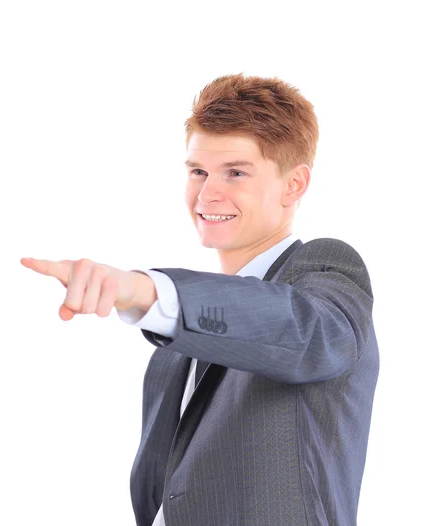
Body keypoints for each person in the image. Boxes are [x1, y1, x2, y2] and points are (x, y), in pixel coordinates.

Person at [21, 73, 379, 526]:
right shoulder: (174, 351)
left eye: (236, 172)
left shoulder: (325, 271)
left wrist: (144, 289)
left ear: (294, 185)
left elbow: (306, 334)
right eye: (198, 171)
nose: (208, 192)